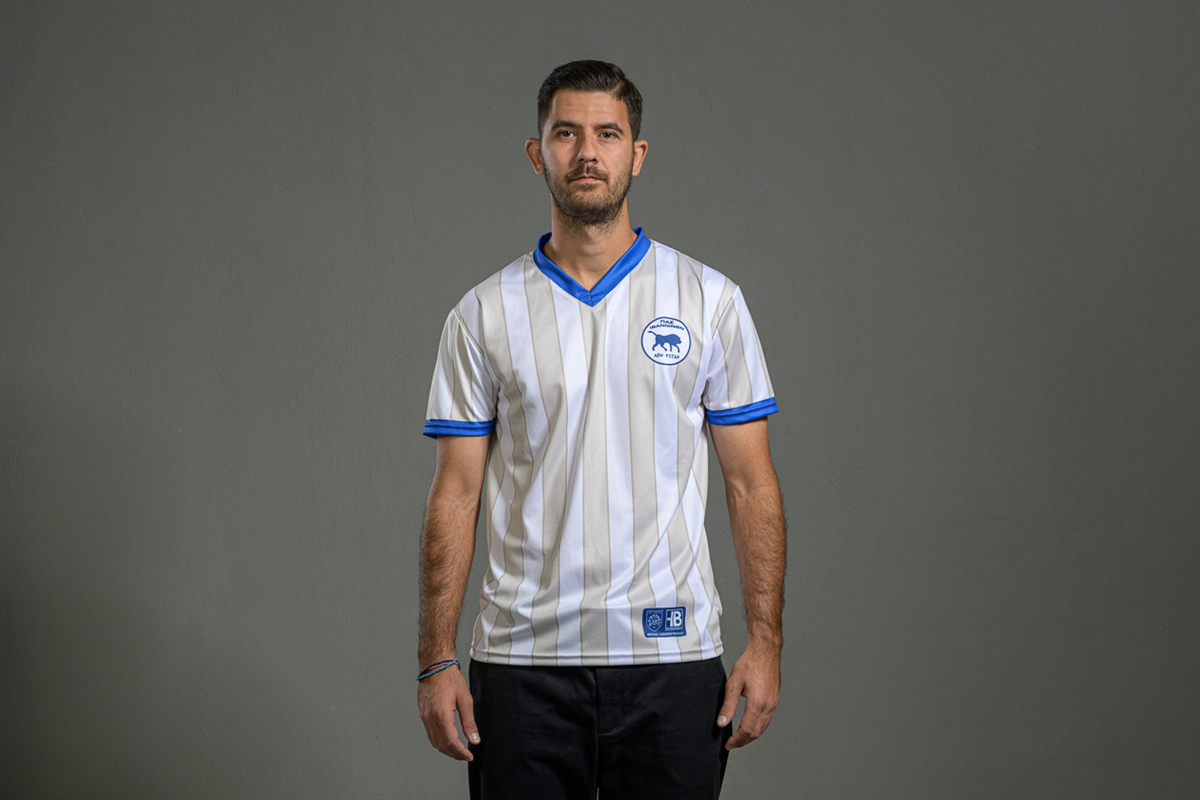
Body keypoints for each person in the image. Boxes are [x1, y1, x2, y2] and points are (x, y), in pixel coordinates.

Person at [416, 59, 786, 800]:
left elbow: (751, 484)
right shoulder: (483, 314)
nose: (588, 153)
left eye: (608, 134)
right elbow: (454, 494)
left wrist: (766, 645)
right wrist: (436, 659)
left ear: (636, 154)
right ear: (537, 153)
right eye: (567, 134)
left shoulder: (709, 300)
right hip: (521, 666)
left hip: (673, 659)